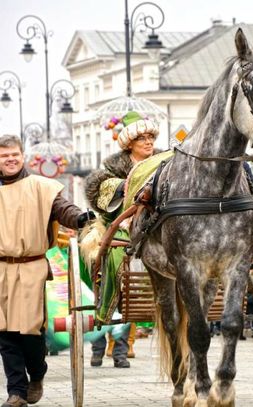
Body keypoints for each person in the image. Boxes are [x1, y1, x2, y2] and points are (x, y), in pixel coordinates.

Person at [0, 135, 94, 407]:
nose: (10, 159)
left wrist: (79, 218)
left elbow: (62, 209)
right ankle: (16, 392)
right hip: (1, 270)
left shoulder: (41, 187)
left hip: (31, 268)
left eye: (14, 154)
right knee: (5, 334)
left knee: (30, 332)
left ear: (22, 155)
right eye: (5, 155)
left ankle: (37, 373)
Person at [83, 111, 163, 369]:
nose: (148, 142)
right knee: (116, 254)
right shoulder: (111, 170)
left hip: (154, 224)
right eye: (142, 138)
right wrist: (125, 186)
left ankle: (120, 350)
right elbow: (103, 200)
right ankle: (101, 328)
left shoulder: (164, 162)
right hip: (119, 225)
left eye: (151, 137)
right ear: (130, 143)